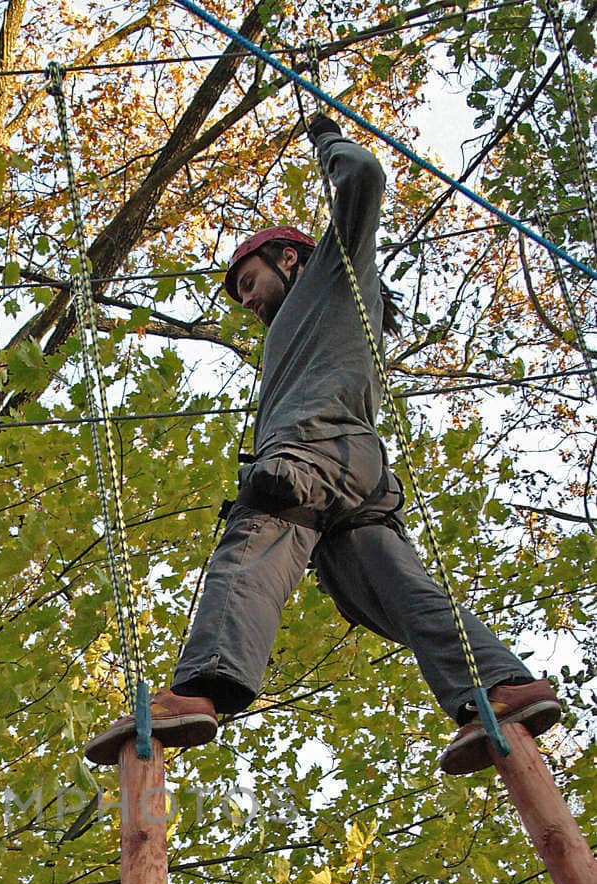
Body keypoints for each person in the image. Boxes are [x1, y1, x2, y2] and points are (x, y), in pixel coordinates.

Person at [85, 117, 561, 775]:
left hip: (317, 450)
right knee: (384, 590)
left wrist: (327, 140)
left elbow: (362, 178)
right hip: (350, 466)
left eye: (248, 282)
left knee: (258, 533)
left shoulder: (329, 276)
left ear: (287, 258)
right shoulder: (302, 327)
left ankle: (199, 690)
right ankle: (502, 689)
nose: (247, 301)